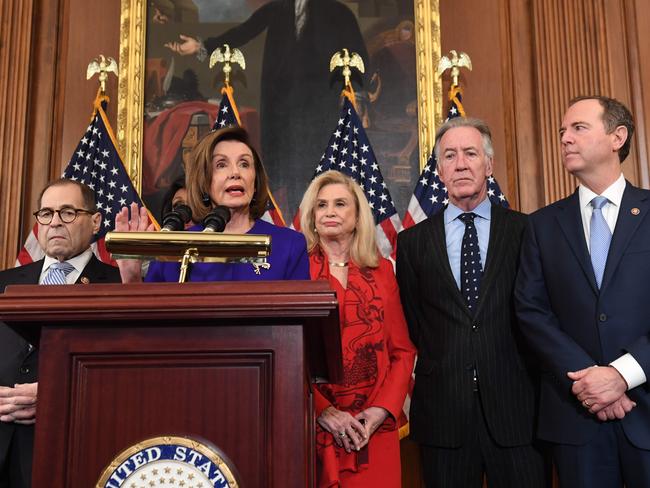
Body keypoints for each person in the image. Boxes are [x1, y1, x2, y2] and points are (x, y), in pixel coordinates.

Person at [396, 117, 547, 487]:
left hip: (516, 412)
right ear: (440, 170)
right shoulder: (413, 243)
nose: (461, 163)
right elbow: (416, 323)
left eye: (470, 153)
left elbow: (538, 313)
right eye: (450, 155)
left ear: (488, 165)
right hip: (444, 415)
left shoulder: (525, 230)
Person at [515, 96, 650, 487]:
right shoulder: (541, 225)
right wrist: (592, 381)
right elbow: (531, 310)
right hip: (576, 417)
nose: (565, 139)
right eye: (562, 132)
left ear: (617, 137)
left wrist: (622, 375)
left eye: (578, 128)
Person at [164, 0, 369, 215]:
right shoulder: (278, 8)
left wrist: (358, 98)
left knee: (319, 173)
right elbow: (244, 31)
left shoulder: (338, 11)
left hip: (320, 111)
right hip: (283, 112)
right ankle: (293, 224)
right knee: (288, 177)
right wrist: (201, 46)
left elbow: (357, 55)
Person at [0, 179, 121, 487]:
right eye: (46, 213)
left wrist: (58, 394)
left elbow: (121, 374)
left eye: (67, 212)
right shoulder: (4, 282)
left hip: (70, 442)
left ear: (95, 222)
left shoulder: (119, 286)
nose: (54, 222)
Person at [299, 170, 415, 487]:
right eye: (321, 205)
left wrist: (380, 412)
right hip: (312, 427)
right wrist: (323, 411)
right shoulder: (296, 272)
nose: (330, 212)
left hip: (372, 431)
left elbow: (403, 352)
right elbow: (288, 353)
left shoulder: (382, 273)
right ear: (311, 216)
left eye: (340, 204)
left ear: (358, 215)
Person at [117, 126, 309, 282]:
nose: (235, 173)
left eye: (244, 164)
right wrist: (131, 276)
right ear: (204, 182)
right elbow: (149, 323)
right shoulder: (174, 250)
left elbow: (301, 324)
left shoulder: (289, 245)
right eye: (221, 165)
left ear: (256, 180)